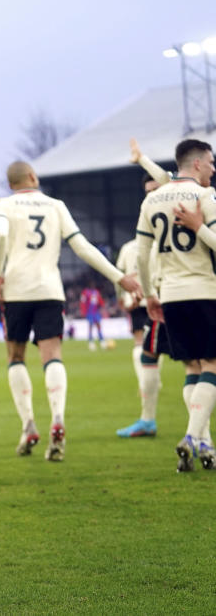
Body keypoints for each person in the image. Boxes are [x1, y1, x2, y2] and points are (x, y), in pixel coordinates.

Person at [0, 161, 140, 462]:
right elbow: (82, 247)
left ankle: (28, 423)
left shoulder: (4, 204)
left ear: (11, 185)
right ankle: (57, 417)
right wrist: (118, 277)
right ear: (33, 177)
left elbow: (1, 236)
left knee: (16, 356)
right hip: (50, 290)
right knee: (52, 355)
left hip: (16, 290)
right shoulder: (55, 205)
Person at [136, 138, 216, 471]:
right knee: (211, 365)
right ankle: (191, 436)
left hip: (170, 294)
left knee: (191, 368)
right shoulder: (205, 196)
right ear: (196, 164)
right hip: (204, 290)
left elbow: (142, 255)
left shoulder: (152, 199)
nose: (213, 169)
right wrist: (199, 227)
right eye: (211, 162)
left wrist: (149, 294)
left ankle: (206, 444)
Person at [115, 139, 173, 438]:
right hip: (151, 302)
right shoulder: (136, 242)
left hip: (173, 296)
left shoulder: (184, 203)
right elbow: (124, 275)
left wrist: (142, 159)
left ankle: (197, 434)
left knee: (199, 362)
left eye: (156, 190)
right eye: (147, 193)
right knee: (148, 354)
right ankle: (149, 417)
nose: (152, 196)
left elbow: (167, 180)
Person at [79, 279, 105, 351]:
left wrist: (102, 306)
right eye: (91, 284)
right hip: (89, 312)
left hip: (96, 312)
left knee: (98, 325)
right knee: (90, 326)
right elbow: (82, 302)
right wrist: (83, 312)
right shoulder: (85, 292)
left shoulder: (96, 292)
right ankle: (91, 341)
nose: (92, 285)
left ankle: (101, 340)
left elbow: (100, 301)